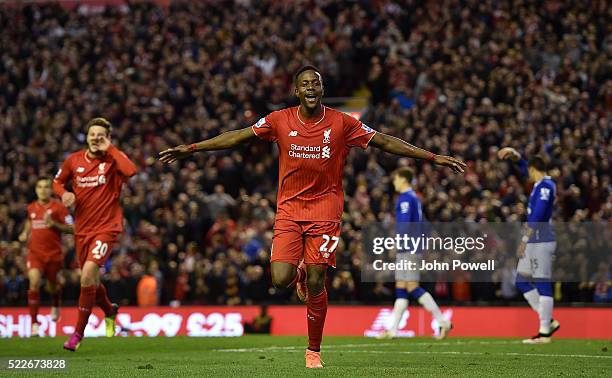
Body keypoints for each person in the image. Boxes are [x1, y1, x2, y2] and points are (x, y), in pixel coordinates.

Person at [159, 66, 465, 368]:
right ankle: (300, 274)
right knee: (280, 280)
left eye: (315, 84)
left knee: (319, 278)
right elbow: (239, 137)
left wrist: (432, 157)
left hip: (326, 211)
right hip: (289, 211)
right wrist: (193, 148)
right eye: (304, 84)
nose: (310, 88)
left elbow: (384, 141)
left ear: (322, 90)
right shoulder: (279, 120)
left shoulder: (342, 123)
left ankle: (313, 350)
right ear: (296, 90)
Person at [53, 117, 137, 351]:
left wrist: (109, 148)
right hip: (82, 230)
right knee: (91, 280)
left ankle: (77, 335)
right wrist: (63, 194)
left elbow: (131, 171)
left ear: (107, 137)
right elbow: (57, 182)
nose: (96, 138)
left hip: (107, 228)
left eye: (101, 135)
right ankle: (110, 310)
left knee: (88, 273)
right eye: (92, 134)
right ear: (87, 136)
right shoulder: (74, 160)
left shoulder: (112, 160)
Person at [379, 167, 452, 339]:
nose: (394, 182)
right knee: (401, 287)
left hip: (408, 248)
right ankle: (393, 330)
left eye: (396, 179)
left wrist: (396, 243)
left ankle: (442, 322)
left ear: (403, 179)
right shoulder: (415, 199)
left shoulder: (405, 199)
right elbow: (423, 223)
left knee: (412, 286)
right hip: (413, 247)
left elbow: (404, 225)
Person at [498, 147, 560, 344]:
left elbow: (538, 215)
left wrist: (524, 239)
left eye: (529, 171)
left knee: (542, 281)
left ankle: (544, 333)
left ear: (534, 170)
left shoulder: (545, 187)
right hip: (535, 240)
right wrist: (515, 155)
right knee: (521, 280)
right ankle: (548, 320)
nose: (528, 175)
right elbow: (525, 166)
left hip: (541, 240)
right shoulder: (541, 184)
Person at [18, 177, 73, 336]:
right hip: (35, 254)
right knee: (33, 283)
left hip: (53, 255)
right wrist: (24, 233)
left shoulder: (59, 208)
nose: (43, 190)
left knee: (52, 286)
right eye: (40, 186)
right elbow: (30, 221)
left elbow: (72, 229)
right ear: (36, 189)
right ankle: (34, 324)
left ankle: (56, 303)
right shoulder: (31, 208)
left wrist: (54, 225)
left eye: (46, 187)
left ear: (51, 190)